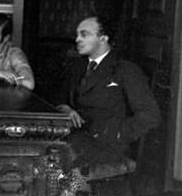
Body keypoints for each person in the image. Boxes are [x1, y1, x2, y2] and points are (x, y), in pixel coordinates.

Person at [56, 16, 160, 169]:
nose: (77, 39)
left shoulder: (125, 70)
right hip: (78, 138)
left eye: (84, 34)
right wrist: (65, 109)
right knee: (42, 151)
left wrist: (116, 133)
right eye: (77, 35)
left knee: (58, 157)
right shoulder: (77, 67)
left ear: (103, 38)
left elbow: (151, 115)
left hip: (108, 145)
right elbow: (60, 98)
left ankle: (70, 191)